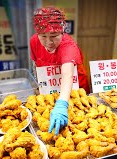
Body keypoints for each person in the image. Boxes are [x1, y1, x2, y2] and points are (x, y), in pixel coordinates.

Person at [30, 7, 89, 135]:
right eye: (43, 36)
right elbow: (36, 64)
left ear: (62, 32)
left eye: (54, 36)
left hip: (73, 88)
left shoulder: (68, 46)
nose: (48, 41)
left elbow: (67, 75)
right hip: (51, 88)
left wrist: (62, 104)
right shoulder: (34, 41)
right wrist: (39, 84)